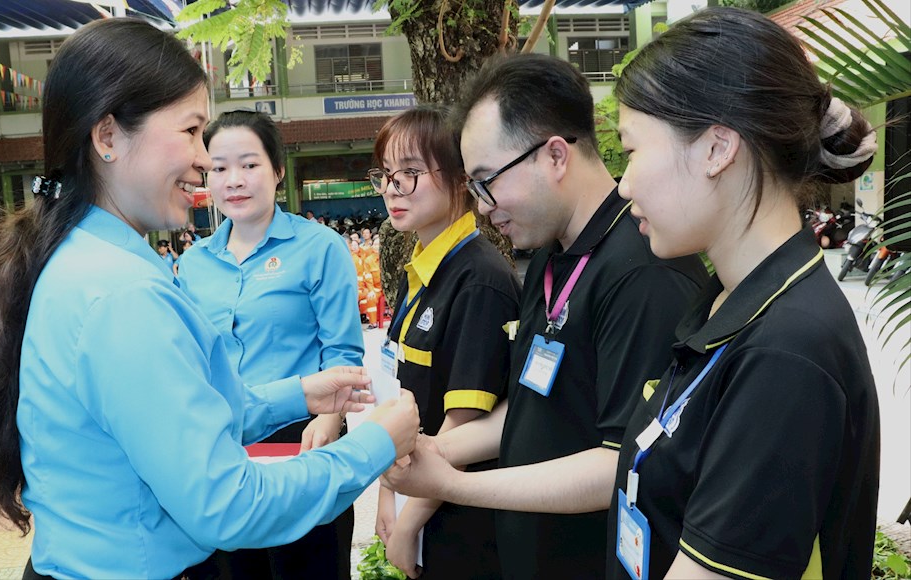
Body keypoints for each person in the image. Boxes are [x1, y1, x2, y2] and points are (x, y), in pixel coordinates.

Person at [387, 9, 883, 579]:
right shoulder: (729, 306)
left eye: (632, 151)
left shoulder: (785, 350)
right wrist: (436, 455)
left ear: (717, 149)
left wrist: (450, 484)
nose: (623, 185)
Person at [0, 19, 419, 580]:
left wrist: (298, 394)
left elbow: (177, 414)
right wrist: (375, 444)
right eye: (190, 131)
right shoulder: (124, 292)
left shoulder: (85, 260)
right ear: (107, 137)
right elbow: (227, 504)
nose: (207, 161)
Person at [381, 54, 708, 579]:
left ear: (555, 155)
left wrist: (453, 484)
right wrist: (432, 449)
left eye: (487, 181)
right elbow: (530, 406)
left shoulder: (643, 271)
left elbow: (620, 462)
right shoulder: (549, 258)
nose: (482, 205)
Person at [177, 109, 364, 579]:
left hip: (304, 439)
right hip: (225, 448)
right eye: (219, 168)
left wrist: (329, 421)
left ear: (278, 170)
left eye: (249, 164)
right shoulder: (193, 263)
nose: (234, 180)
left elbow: (343, 352)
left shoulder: (320, 247)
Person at [369, 105, 521, 579]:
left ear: (460, 178)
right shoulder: (419, 269)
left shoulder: (480, 281)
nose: (392, 188)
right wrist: (388, 492)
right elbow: (400, 395)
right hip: (419, 498)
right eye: (386, 174)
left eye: (410, 173)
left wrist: (408, 521)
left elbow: (463, 423)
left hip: (459, 518)